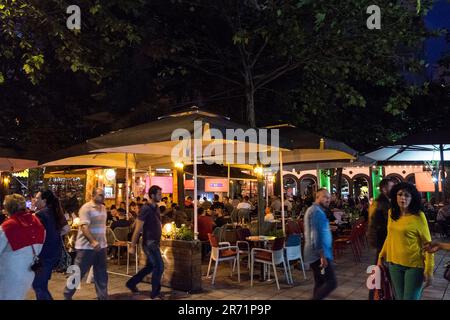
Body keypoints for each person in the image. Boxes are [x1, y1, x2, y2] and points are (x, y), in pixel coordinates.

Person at [377, 182, 434, 300]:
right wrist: (381, 255)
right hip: (394, 265)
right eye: (400, 194)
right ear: (395, 197)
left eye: (407, 195)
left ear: (412, 198)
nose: (403, 198)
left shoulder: (419, 216)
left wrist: (429, 270)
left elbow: (429, 244)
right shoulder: (392, 213)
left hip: (414, 266)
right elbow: (390, 236)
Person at [63, 188, 108, 300]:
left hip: (101, 247)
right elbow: (84, 227)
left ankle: (102, 296)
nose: (103, 197)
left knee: (101, 273)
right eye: (100, 195)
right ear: (93, 195)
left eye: (103, 195)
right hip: (86, 247)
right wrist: (92, 241)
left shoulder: (103, 208)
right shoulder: (86, 208)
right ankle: (67, 294)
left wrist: (102, 243)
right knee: (78, 273)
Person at [0, 194, 45, 300]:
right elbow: (39, 248)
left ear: (8, 208)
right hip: (28, 272)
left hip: (8, 274)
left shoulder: (8, 226)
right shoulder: (38, 223)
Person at [126, 185, 164, 300]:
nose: (161, 196)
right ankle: (155, 293)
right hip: (149, 242)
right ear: (152, 195)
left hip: (155, 242)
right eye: (159, 194)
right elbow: (138, 228)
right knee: (159, 266)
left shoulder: (156, 207)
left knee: (150, 266)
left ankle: (132, 283)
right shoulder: (145, 208)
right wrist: (132, 245)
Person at [32, 190, 69, 300]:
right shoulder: (54, 211)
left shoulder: (41, 214)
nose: (34, 200)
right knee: (41, 285)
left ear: (44, 200)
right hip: (54, 253)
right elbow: (66, 229)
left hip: (44, 254)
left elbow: (35, 234)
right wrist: (54, 236)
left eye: (37, 198)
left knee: (38, 285)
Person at [303, 188, 337, 300]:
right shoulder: (316, 212)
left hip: (317, 253)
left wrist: (327, 228)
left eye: (329, 197)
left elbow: (318, 230)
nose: (328, 200)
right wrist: (322, 256)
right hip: (318, 255)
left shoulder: (317, 211)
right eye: (325, 197)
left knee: (320, 282)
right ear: (317, 197)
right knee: (331, 282)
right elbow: (315, 236)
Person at [366, 178, 394, 299]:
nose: (394, 189)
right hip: (382, 243)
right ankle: (374, 296)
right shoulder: (381, 204)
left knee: (380, 271)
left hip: (382, 243)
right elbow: (379, 226)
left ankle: (376, 295)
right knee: (379, 271)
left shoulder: (384, 202)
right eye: (391, 187)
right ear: (384, 189)